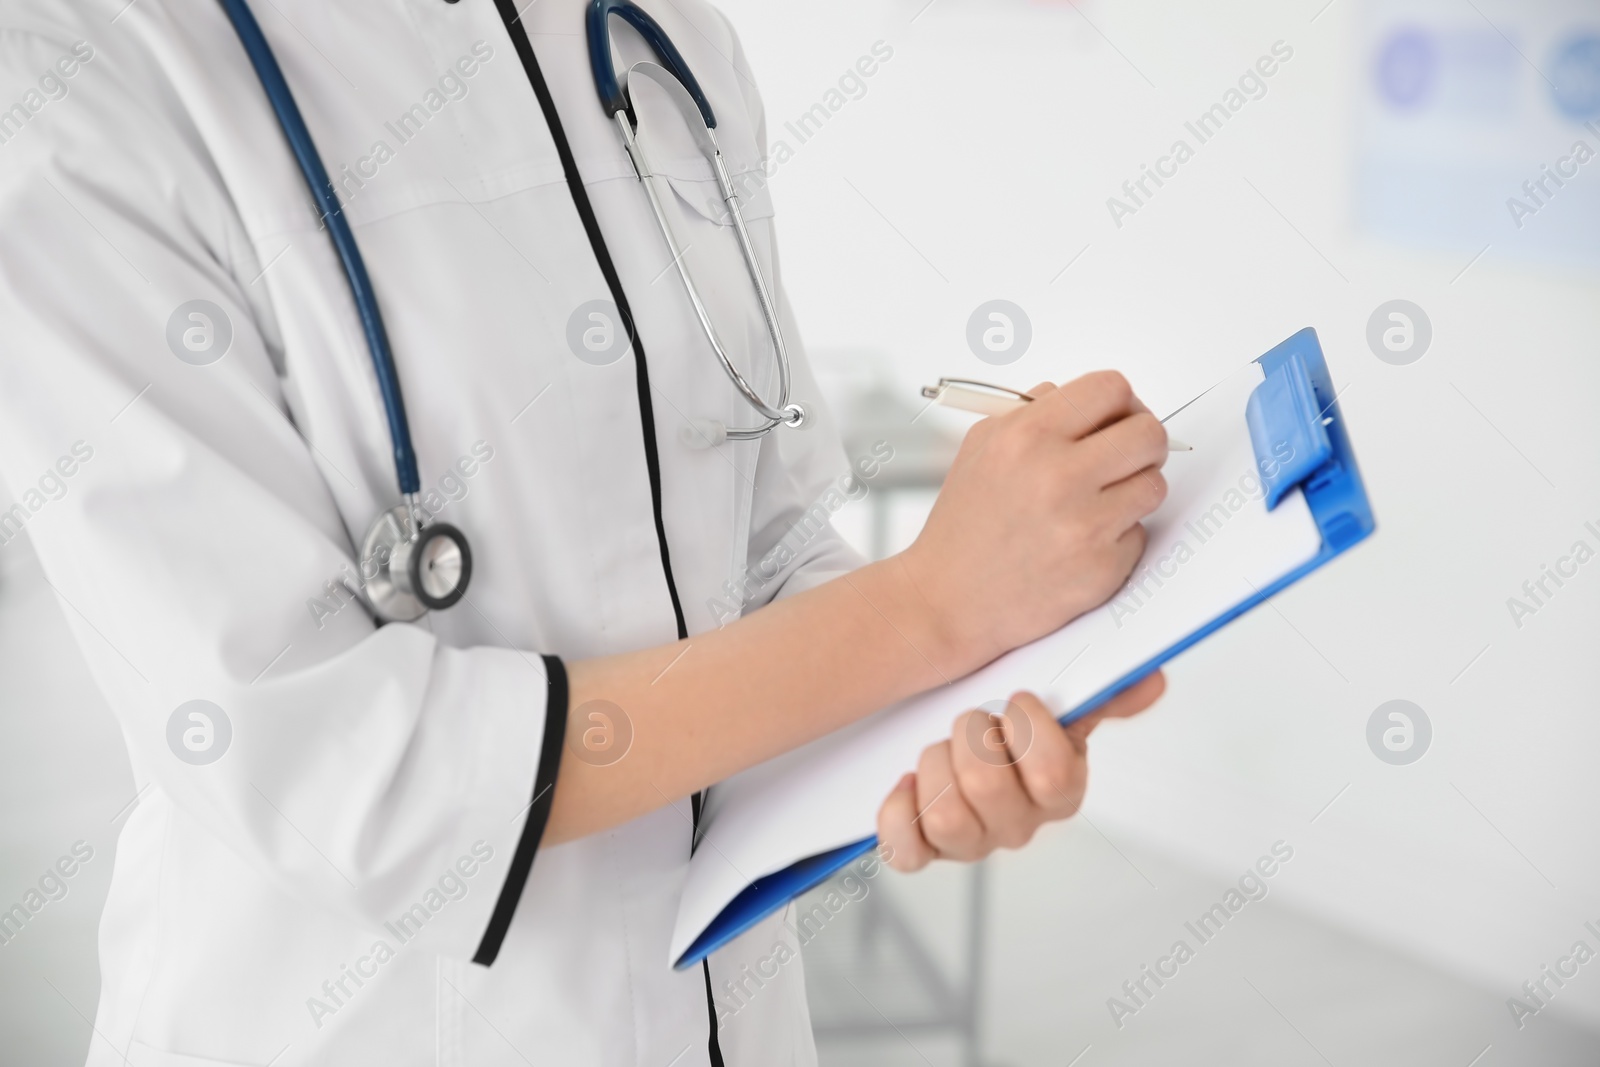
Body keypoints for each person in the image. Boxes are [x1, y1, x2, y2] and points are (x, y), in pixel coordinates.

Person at [0, 1, 1167, 1064]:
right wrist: (933, 611)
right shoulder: (75, 79)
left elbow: (760, 551)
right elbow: (343, 773)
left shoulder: (663, 41)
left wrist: (960, 700)